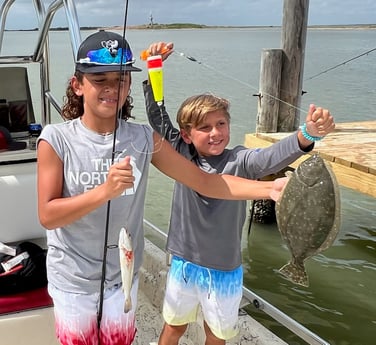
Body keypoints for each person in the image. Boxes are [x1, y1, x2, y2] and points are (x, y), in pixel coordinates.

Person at [37, 30, 287, 345]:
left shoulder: (144, 139)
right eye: (100, 80)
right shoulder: (56, 139)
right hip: (73, 280)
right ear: (78, 84)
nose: (113, 88)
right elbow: (47, 215)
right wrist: (104, 191)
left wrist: (270, 190)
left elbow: (205, 182)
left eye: (121, 79)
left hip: (121, 278)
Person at [143, 43, 335, 345]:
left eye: (221, 124)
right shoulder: (181, 155)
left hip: (225, 269)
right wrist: (154, 66)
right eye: (204, 128)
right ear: (186, 135)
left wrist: (307, 134)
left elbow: (273, 156)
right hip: (183, 262)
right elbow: (158, 115)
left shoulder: (241, 161)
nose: (215, 132)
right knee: (173, 326)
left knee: (216, 334)